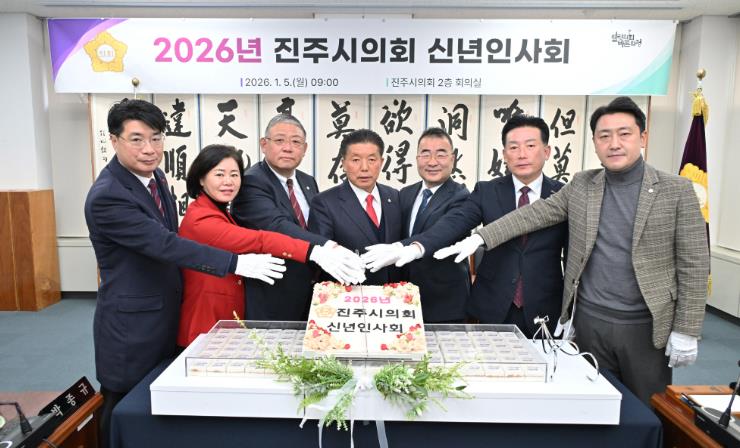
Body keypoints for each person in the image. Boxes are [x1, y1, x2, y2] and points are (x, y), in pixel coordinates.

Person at [434, 97, 709, 404]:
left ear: (642, 137)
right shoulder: (582, 185)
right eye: (604, 136)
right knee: (590, 403)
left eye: (624, 134)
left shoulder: (676, 190)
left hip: (645, 325)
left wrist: (686, 329)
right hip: (589, 322)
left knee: (646, 408)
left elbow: (695, 264)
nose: (614, 144)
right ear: (595, 143)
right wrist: (480, 238)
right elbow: (535, 214)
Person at [83, 100, 284, 446]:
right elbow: (163, 243)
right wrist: (235, 262)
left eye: (156, 138)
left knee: (159, 405)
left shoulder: (155, 177)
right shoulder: (108, 196)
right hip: (132, 323)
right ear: (114, 140)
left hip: (166, 310)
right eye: (136, 139)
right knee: (123, 406)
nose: (149, 149)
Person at [364, 116, 568, 336]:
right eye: (513, 147)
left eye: (530, 146)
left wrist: (572, 310)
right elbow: (454, 222)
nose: (522, 154)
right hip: (493, 305)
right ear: (504, 154)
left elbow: (575, 254)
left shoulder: (564, 195)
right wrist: (414, 247)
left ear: (546, 151)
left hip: (546, 305)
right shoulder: (487, 191)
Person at [177, 144, 365, 346]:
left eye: (234, 175)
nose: (228, 182)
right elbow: (259, 239)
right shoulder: (201, 218)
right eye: (219, 174)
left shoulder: (219, 211)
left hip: (227, 320)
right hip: (205, 321)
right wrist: (315, 251)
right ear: (201, 178)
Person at [232, 114, 331, 321]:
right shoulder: (250, 181)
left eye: (296, 142)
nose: (288, 148)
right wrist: (330, 247)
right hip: (273, 293)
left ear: (305, 148)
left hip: (311, 291)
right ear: (264, 144)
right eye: (279, 140)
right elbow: (277, 225)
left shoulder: (307, 181)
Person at [369, 127, 470, 323]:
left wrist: (399, 247)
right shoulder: (405, 194)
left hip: (445, 303)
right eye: (425, 154)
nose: (432, 162)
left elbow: (441, 233)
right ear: (417, 158)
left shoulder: (462, 197)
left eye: (441, 154)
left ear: (453, 159)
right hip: (402, 299)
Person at [308, 129, 403, 285]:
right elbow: (321, 255)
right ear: (343, 163)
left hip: (392, 293)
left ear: (381, 162)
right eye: (356, 160)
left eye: (372, 159)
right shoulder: (324, 202)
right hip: (348, 292)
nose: (364, 167)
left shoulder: (394, 196)